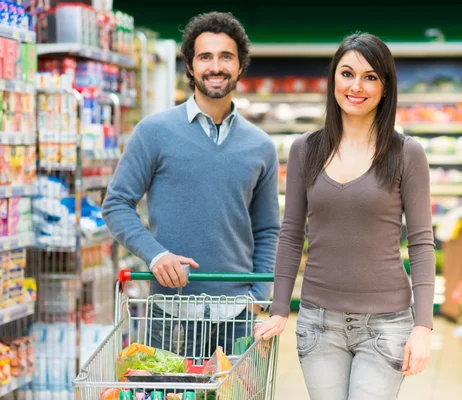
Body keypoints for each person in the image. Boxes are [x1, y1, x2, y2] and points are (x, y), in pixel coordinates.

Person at [254, 32, 435, 399]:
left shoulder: (406, 153)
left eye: (370, 76)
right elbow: (291, 233)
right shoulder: (306, 149)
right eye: (347, 73)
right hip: (318, 324)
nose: (357, 86)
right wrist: (278, 309)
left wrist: (424, 327)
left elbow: (421, 242)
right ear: (333, 79)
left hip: (386, 326)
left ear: (385, 87)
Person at [103, 12, 280, 359]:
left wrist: (259, 295)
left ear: (240, 65)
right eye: (205, 57)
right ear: (190, 65)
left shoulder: (261, 146)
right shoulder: (154, 132)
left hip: (237, 317)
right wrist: (156, 255)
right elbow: (116, 204)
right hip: (171, 314)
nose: (216, 66)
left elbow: (268, 228)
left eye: (226, 56)